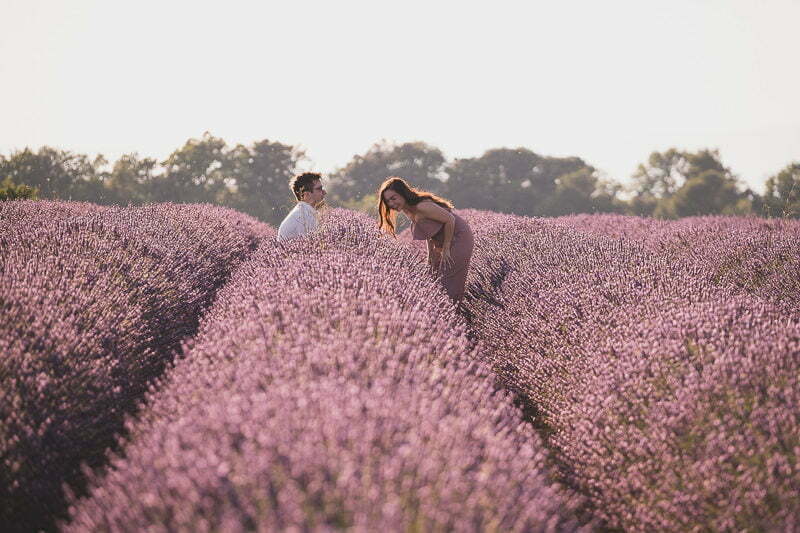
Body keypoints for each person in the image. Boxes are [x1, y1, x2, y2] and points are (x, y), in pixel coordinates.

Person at [377, 176, 474, 302]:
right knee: (434, 276)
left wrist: (446, 248)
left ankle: (451, 313)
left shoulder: (421, 207)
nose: (391, 204)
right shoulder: (409, 210)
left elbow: (450, 219)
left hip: (459, 238)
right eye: (388, 201)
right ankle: (448, 312)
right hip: (444, 240)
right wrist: (430, 256)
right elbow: (428, 232)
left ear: (403, 194)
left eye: (393, 198)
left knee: (447, 281)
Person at [278, 172, 326, 242]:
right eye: (319, 189)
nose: (324, 192)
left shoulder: (304, 212)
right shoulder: (304, 216)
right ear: (307, 195)